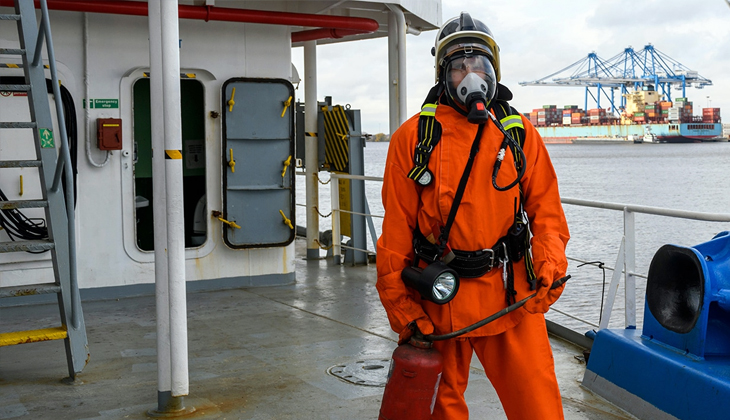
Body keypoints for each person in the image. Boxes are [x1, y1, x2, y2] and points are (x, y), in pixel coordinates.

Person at [376, 12, 570, 420]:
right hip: (441, 301)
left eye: (478, 65)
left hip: (510, 295)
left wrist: (550, 265)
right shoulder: (413, 139)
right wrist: (403, 310)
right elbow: (395, 235)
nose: (470, 76)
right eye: (459, 65)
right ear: (443, 74)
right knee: (440, 411)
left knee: (539, 406)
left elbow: (547, 213)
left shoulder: (518, 134)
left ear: (493, 71)